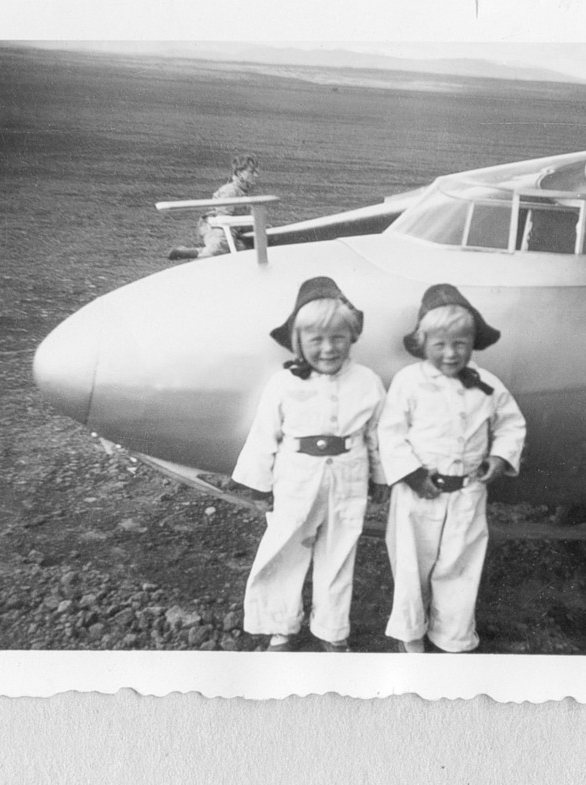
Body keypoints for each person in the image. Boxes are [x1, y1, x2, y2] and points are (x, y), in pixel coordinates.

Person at [231, 277, 387, 651]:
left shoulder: (367, 382)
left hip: (348, 478)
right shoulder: (283, 384)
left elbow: (379, 434)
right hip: (296, 478)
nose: (329, 348)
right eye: (316, 340)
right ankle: (279, 625)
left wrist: (381, 477)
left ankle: (332, 630)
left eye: (338, 338)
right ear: (299, 343)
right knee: (286, 547)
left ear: (352, 338)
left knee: (339, 551)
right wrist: (259, 484)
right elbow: (263, 435)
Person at [378, 284, 527, 653]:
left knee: (460, 565)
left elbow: (511, 423)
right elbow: (391, 432)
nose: (450, 353)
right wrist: (413, 475)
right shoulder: (409, 382)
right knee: (413, 565)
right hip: (418, 493)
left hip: (467, 491)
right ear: (421, 342)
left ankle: (453, 637)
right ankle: (410, 633)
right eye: (439, 344)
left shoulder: (488, 385)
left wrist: (500, 457)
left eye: (460, 343)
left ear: (473, 342)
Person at [168, 154, 260, 260]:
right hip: (215, 226)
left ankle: (192, 252)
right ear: (240, 174)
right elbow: (224, 217)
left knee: (244, 249)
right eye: (252, 172)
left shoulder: (242, 192)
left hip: (230, 227)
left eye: (256, 172)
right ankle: (186, 253)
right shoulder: (230, 190)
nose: (256, 175)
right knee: (220, 249)